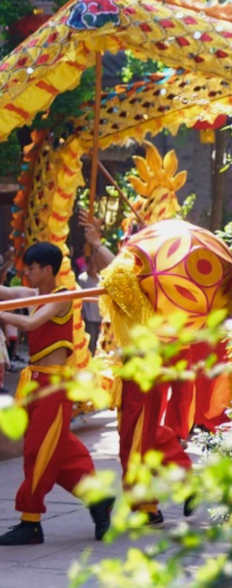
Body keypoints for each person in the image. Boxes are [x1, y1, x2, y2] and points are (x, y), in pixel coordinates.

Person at [0, 243, 113, 546]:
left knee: (38, 452)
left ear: (46, 269)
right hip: (34, 385)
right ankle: (98, 497)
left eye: (31, 268)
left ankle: (30, 521)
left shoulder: (62, 297)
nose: (26, 272)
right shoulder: (32, 296)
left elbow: (30, 323)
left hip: (55, 386)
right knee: (59, 450)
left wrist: (1, 315)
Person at [81, 211, 193, 526]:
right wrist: (98, 244)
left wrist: (97, 242)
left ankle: (153, 502)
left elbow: (118, 276)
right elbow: (115, 274)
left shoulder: (145, 287)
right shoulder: (141, 283)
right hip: (138, 367)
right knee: (138, 437)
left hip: (146, 366)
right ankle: (157, 499)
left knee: (138, 438)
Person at [77, 253, 102, 355]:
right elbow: (78, 298)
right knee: (90, 344)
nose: (92, 266)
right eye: (90, 263)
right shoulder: (82, 279)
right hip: (89, 317)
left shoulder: (101, 279)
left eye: (94, 263)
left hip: (100, 317)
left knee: (99, 344)